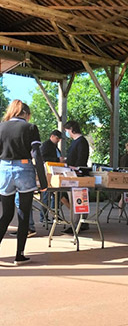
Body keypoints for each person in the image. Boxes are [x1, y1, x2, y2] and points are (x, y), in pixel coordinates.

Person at [0, 100, 47, 265]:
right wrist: (43, 181)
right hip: (24, 170)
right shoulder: (30, 128)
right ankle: (19, 255)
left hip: (4, 171)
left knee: (6, 214)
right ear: (26, 114)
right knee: (24, 214)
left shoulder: (1, 127)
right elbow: (36, 155)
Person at [60, 121, 90, 233]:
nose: (67, 133)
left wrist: (72, 166)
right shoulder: (77, 142)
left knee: (76, 201)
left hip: (77, 176)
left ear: (71, 129)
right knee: (77, 201)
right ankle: (80, 223)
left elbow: (81, 160)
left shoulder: (81, 142)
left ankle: (76, 224)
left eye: (67, 130)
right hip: (74, 174)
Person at [39, 129, 63, 223]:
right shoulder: (46, 145)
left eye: (59, 139)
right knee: (46, 196)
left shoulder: (55, 147)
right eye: (57, 138)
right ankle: (44, 217)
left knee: (57, 195)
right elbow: (43, 157)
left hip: (55, 172)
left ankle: (55, 215)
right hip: (48, 173)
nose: (58, 140)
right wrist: (57, 159)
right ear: (52, 136)